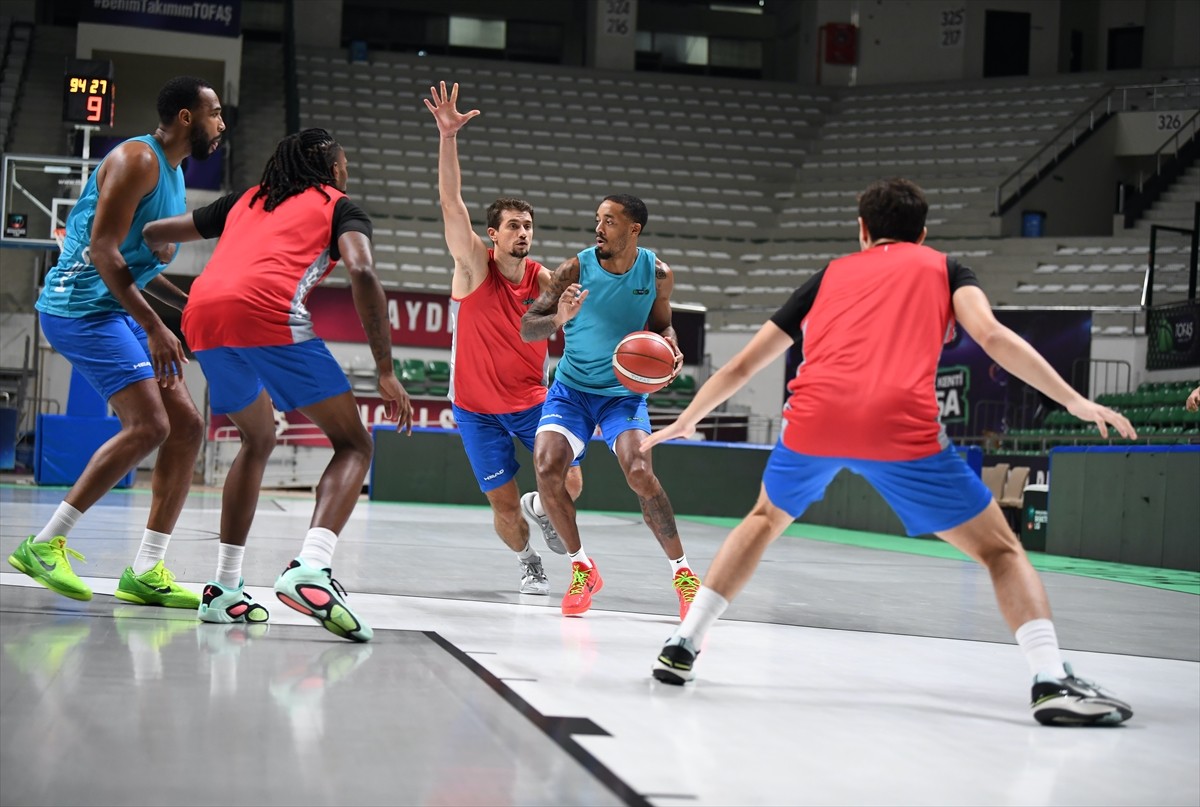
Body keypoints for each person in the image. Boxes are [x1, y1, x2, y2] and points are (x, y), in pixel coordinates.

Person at [643, 178, 1135, 727]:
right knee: (1001, 551)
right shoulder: (948, 270)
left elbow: (741, 365)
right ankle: (1049, 678)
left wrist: (686, 419)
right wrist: (1073, 399)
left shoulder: (829, 275)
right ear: (922, 234)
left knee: (763, 520)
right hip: (899, 424)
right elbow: (994, 338)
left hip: (815, 419)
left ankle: (684, 643)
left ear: (862, 230)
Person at [142, 128, 413, 642]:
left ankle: (224, 589)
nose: (347, 172)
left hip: (201, 316)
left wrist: (140, 244)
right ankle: (312, 567)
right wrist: (384, 369)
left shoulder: (245, 199)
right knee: (354, 444)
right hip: (267, 313)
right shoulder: (341, 207)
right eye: (345, 163)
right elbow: (362, 271)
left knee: (258, 438)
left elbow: (154, 232)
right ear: (333, 169)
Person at [7, 76, 225, 608]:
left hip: (111, 307)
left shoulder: (173, 172)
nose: (222, 124)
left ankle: (146, 570)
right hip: (79, 308)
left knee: (187, 426)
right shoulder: (137, 160)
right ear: (187, 118)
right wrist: (154, 326)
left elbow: (137, 265)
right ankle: (44, 544)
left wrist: (186, 307)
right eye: (215, 113)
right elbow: (105, 251)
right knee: (150, 425)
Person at [423, 81, 583, 596]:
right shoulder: (473, 268)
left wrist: (570, 318)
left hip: (532, 402)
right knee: (504, 507)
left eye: (528, 226)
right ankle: (528, 561)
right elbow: (451, 203)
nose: (523, 233)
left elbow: (576, 322)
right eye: (513, 226)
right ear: (493, 234)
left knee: (571, 480)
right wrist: (448, 136)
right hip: (475, 409)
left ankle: (544, 506)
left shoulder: (544, 280)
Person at [520, 194, 700, 619]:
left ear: (634, 229)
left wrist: (671, 345)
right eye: (598, 219)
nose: (598, 228)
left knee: (640, 472)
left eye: (609, 221)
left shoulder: (657, 273)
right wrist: (559, 318)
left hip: (623, 394)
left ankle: (684, 575)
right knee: (546, 467)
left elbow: (663, 326)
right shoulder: (574, 269)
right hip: (572, 391)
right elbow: (529, 327)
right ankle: (581, 567)